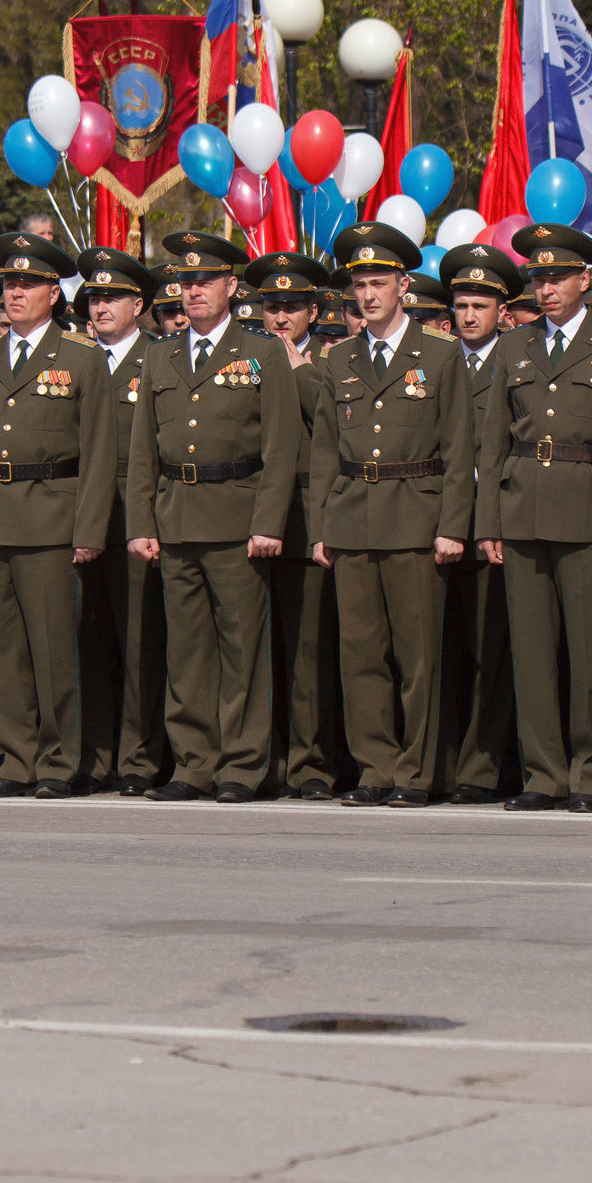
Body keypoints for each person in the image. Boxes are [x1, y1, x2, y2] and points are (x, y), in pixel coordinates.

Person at [476, 224, 592, 812]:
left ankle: (591, 774)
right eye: (538, 278)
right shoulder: (514, 346)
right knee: (531, 653)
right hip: (523, 510)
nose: (546, 289)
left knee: (591, 652)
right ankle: (542, 775)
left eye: (557, 278)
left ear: (585, 280)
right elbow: (493, 440)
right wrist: (488, 522)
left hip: (589, 512)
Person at [126, 232, 300, 801]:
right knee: (187, 650)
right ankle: (193, 763)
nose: (193, 291)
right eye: (185, 282)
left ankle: (242, 765)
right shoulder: (162, 353)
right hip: (177, 517)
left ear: (231, 285)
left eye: (204, 281)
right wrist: (141, 524)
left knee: (242, 648)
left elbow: (281, 447)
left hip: (237, 516)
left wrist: (269, 521)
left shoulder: (262, 352)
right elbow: (143, 451)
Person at [0, 234, 114, 799]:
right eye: (9, 284)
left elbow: (98, 454)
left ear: (53, 295)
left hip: (51, 520)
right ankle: (15, 761)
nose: (15, 293)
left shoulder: (80, 359)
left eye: (28, 284)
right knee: (1, 651)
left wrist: (89, 531)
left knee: (53, 650)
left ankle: (59, 763)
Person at [308, 223, 473, 808]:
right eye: (360, 285)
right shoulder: (340, 358)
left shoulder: (440, 354)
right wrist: (320, 528)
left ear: (404, 285)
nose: (368, 295)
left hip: (416, 518)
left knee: (419, 658)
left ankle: (417, 772)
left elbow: (458, 448)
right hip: (353, 519)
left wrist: (454, 526)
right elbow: (324, 448)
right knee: (361, 656)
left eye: (379, 283)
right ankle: (374, 767)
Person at [71, 247, 167, 796]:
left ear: (139, 305)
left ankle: (138, 758)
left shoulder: (158, 358)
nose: (101, 305)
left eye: (112, 297)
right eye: (94, 297)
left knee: (138, 643)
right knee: (88, 640)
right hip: (79, 511)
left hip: (135, 509)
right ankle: (93, 754)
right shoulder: (74, 359)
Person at [245, 251, 342, 799]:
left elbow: (333, 414)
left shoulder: (331, 360)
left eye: (292, 307)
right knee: (258, 652)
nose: (281, 318)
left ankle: (311, 765)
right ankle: (266, 759)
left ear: (312, 311)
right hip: (254, 517)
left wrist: (299, 370)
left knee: (307, 654)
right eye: (272, 306)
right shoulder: (246, 358)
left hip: (306, 521)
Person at [439, 242, 523, 803]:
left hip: (497, 522)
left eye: (481, 307)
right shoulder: (435, 360)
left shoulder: (518, 359)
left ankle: (486, 766)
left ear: (503, 313)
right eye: (463, 306)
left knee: (494, 650)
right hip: (444, 521)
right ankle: (447, 764)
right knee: (447, 647)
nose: (470, 317)